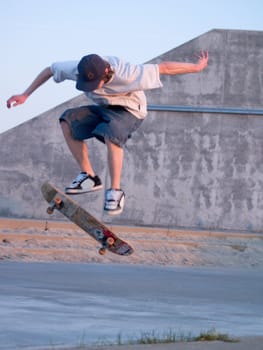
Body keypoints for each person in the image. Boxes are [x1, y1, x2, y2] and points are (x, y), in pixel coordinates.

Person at [6, 51, 208, 215]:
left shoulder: (128, 72)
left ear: (106, 74)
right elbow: (50, 70)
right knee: (68, 120)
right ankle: (89, 176)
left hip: (131, 111)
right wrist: (25, 94)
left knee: (111, 133)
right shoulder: (78, 69)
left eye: (94, 85)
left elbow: (163, 68)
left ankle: (116, 192)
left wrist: (197, 68)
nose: (90, 88)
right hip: (106, 109)